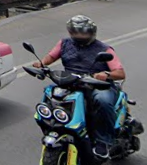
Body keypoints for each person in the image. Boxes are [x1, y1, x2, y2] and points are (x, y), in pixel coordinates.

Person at [33, 15, 126, 161]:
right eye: (75, 32)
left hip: (97, 85)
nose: (79, 35)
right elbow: (51, 57)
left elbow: (120, 73)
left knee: (102, 101)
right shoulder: (64, 43)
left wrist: (106, 74)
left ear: (91, 32)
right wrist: (42, 64)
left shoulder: (104, 49)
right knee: (50, 93)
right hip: (72, 82)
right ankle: (52, 127)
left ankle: (103, 141)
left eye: (83, 32)